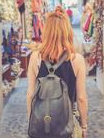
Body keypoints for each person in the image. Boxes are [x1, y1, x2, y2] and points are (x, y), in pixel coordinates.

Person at [27, 7, 88, 138]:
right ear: (67, 31)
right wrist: (84, 126)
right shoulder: (76, 60)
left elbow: (30, 95)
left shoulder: (35, 58)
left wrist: (31, 122)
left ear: (46, 31)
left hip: (42, 125)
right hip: (67, 125)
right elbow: (81, 98)